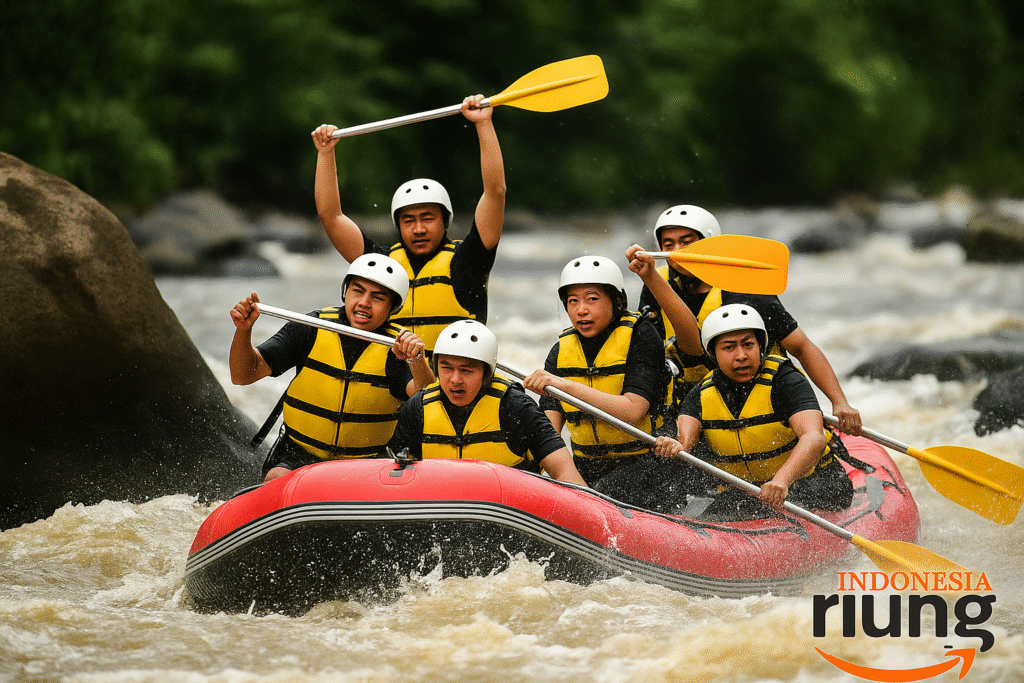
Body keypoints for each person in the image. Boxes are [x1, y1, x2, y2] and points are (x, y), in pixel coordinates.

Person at [626, 204, 862, 437]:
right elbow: (650, 356)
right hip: (697, 400)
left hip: (758, 390)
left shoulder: (743, 286)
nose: (677, 251)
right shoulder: (656, 281)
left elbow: (801, 347)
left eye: (686, 242)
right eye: (668, 245)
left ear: (710, 243)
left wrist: (839, 401)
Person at [310, 94, 506, 355]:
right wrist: (326, 153)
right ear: (398, 225)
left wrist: (483, 123)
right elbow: (331, 216)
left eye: (428, 218)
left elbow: (495, 192)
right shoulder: (380, 263)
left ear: (445, 221)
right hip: (398, 376)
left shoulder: (469, 260)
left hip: (452, 377)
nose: (419, 229)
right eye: (409, 220)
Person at [230, 254, 434, 482]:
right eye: (357, 291)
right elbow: (242, 375)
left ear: (392, 307)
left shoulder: (397, 348)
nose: (364, 303)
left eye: (377, 297)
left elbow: (427, 402)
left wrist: (417, 361)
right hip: (299, 455)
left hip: (366, 463)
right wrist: (243, 331)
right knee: (276, 477)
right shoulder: (310, 327)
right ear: (345, 292)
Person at [654, 304, 854, 516]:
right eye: (729, 348)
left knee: (806, 495)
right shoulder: (700, 395)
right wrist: (674, 446)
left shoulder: (786, 381)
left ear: (760, 346)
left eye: (748, 345)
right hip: (747, 491)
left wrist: (781, 481)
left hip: (809, 482)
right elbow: (684, 443)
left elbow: (814, 437)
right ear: (714, 353)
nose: (741, 355)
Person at [522, 256, 669, 505]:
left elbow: (633, 410)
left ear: (617, 301)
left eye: (592, 299)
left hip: (646, 465)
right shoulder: (560, 352)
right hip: (586, 467)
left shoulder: (642, 336)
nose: (581, 310)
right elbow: (549, 434)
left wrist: (564, 386)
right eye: (572, 301)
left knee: (604, 492)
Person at [387, 320, 586, 486]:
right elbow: (392, 473)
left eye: (466, 370)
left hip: (507, 511)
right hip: (441, 508)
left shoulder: (516, 407)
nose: (455, 379)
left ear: (486, 373)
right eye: (446, 368)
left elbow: (564, 473)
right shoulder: (417, 408)